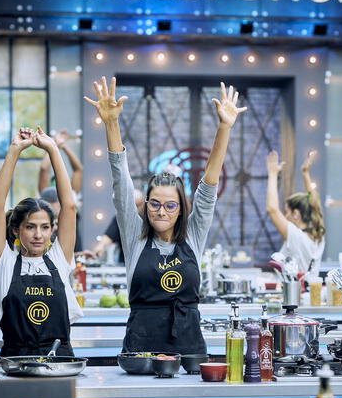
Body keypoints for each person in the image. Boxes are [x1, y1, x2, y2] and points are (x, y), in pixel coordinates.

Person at [84, 77, 246, 354]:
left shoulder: (194, 235)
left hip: (189, 347)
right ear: (145, 205)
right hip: (141, 350)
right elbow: (120, 180)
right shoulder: (135, 237)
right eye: (155, 204)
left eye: (170, 205)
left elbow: (209, 184)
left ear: (181, 208)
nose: (161, 211)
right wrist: (111, 123)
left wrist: (224, 127)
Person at [0, 126, 83, 357]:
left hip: (60, 361)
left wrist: (53, 149)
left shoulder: (60, 259)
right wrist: (14, 151)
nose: (38, 235)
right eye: (30, 227)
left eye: (44, 227)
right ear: (16, 230)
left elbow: (69, 206)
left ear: (53, 229)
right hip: (15, 362)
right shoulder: (5, 262)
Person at [265, 149, 325, 281]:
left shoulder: (296, 236)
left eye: (287, 212)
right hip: (310, 296)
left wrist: (273, 173)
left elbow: (272, 209)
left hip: (294, 297)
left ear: (296, 213)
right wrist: (305, 174)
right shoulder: (318, 236)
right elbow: (315, 203)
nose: (285, 216)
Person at [38, 129, 83, 253]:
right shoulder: (46, 192)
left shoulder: (71, 193)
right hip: (48, 247)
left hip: (73, 247)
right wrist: (54, 145)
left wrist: (63, 146)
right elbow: (44, 168)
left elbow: (78, 169)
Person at [90, 189, 145, 264]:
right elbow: (108, 237)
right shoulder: (120, 219)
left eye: (137, 205)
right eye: (131, 206)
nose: (134, 210)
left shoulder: (150, 219)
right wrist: (100, 246)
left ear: (143, 204)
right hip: (126, 265)